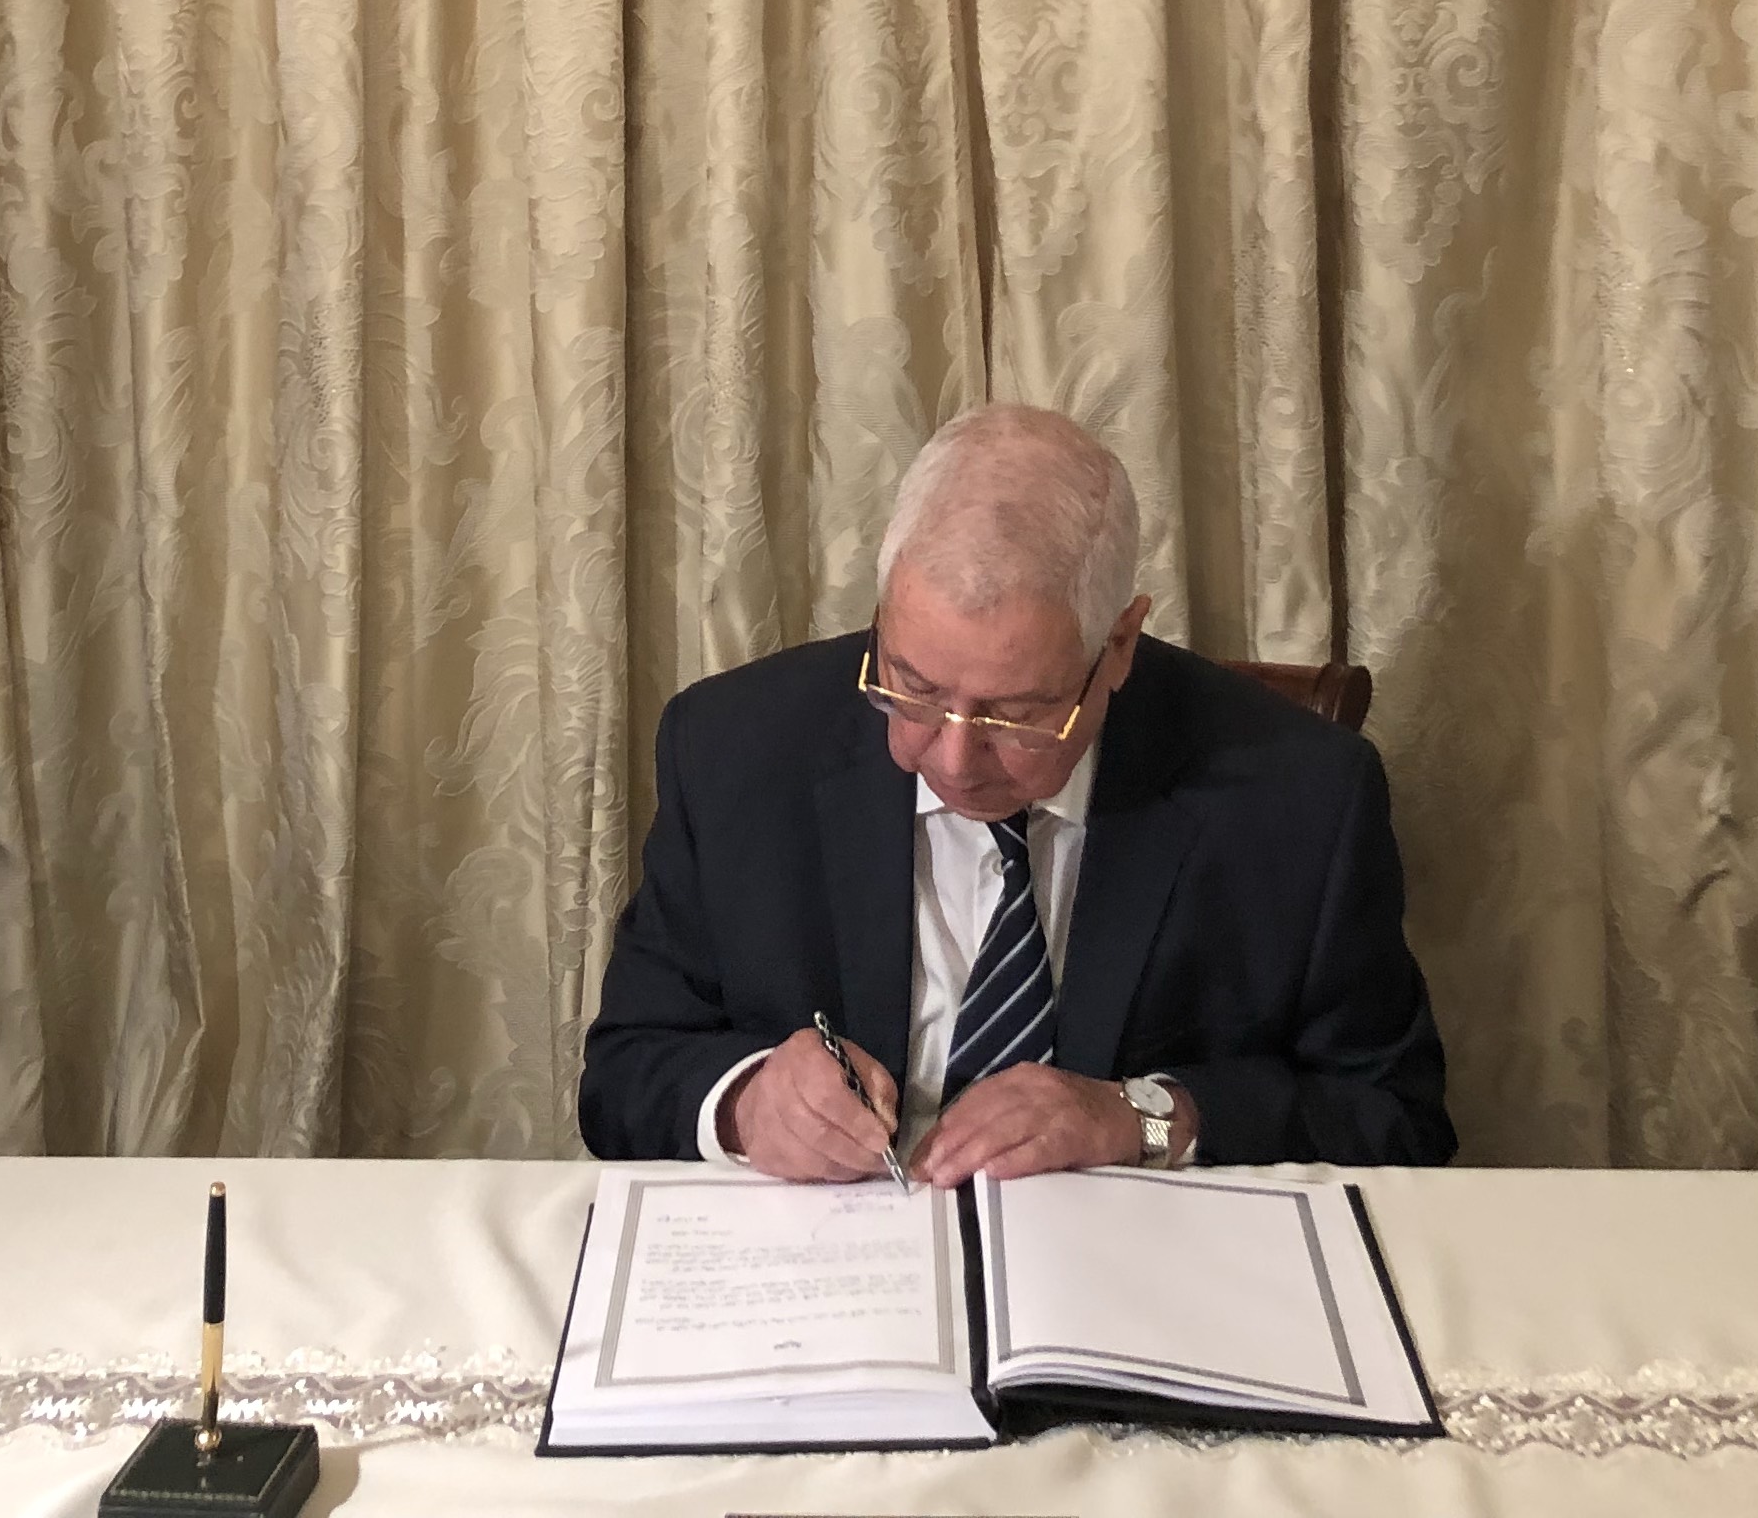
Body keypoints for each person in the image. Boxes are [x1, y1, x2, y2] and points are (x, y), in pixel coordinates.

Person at [577, 403, 1452, 1181]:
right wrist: (746, 1102)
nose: (955, 759)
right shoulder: (734, 750)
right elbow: (623, 1074)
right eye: (914, 688)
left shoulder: (1299, 795)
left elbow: (1393, 1117)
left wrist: (1143, 1118)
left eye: (1018, 714)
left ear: (1118, 646)